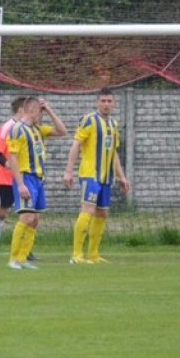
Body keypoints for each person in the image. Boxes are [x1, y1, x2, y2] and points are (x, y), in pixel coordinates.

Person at [62, 87, 131, 264]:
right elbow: (76, 145)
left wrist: (121, 176)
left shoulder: (113, 124)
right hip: (90, 174)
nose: (106, 104)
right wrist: (69, 171)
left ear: (114, 103)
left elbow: (113, 152)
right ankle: (76, 255)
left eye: (109, 101)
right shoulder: (89, 120)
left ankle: (93, 254)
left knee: (102, 214)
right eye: (103, 101)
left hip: (106, 177)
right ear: (97, 102)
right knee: (88, 211)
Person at [4, 96, 67, 269]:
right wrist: (21, 184)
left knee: (35, 220)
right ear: (31, 110)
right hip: (26, 177)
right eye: (40, 112)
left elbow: (62, 131)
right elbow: (13, 158)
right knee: (26, 217)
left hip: (39, 179)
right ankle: (13, 259)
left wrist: (49, 109)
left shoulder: (38, 130)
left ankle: (23, 258)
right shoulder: (18, 129)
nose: (41, 115)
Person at [0, 96, 24, 259]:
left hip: (24, 177)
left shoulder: (28, 128)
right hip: (5, 178)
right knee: (3, 212)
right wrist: (9, 164)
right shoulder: (7, 127)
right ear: (21, 110)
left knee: (28, 214)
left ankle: (25, 250)